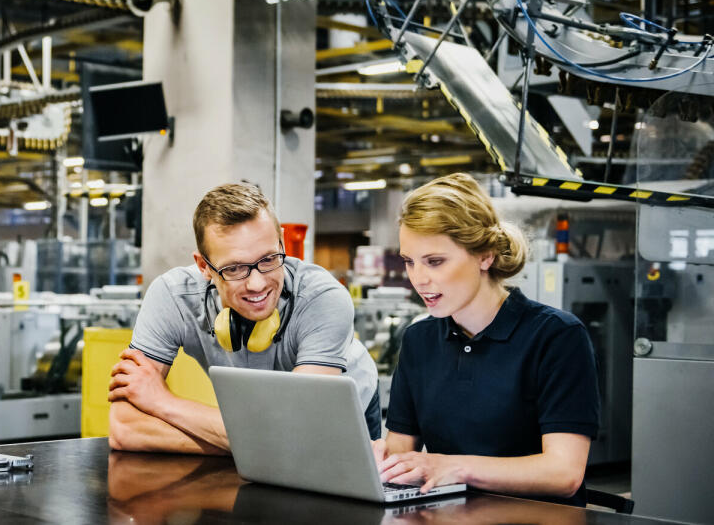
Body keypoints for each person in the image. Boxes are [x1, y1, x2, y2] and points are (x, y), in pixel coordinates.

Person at [374, 173, 600, 506]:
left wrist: (455, 467)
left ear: (485, 256)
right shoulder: (418, 340)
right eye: (410, 262)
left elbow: (563, 473)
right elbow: (400, 453)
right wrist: (379, 458)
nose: (418, 279)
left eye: (435, 261)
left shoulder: (557, 337)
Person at [108, 182, 380, 454]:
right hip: (256, 426)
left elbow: (298, 431)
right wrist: (254, 443)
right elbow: (125, 428)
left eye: (268, 259)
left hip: (344, 413)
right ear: (204, 266)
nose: (257, 283)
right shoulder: (173, 296)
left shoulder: (322, 298)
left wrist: (162, 402)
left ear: (282, 243)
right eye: (235, 268)